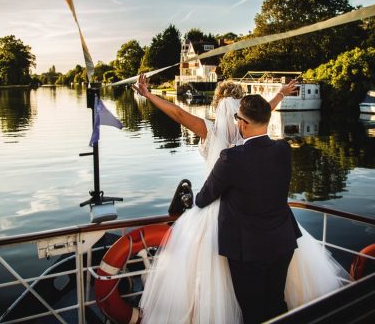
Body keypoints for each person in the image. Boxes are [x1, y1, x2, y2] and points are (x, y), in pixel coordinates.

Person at [134, 74, 346, 323]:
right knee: (274, 298)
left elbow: (179, 114)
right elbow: (261, 117)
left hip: (225, 221)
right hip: (273, 230)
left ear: (220, 105)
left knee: (234, 294)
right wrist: (279, 93)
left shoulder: (211, 132)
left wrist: (149, 95)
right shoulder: (260, 135)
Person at [195, 94, 300, 323]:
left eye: (237, 118)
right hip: (282, 241)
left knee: (252, 312)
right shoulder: (284, 149)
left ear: (242, 123)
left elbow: (205, 197)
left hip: (248, 250)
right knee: (276, 303)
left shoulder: (231, 158)